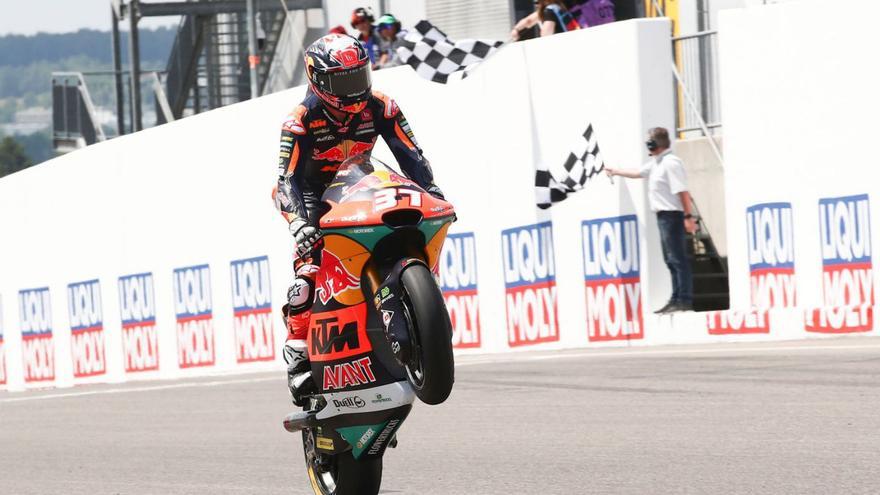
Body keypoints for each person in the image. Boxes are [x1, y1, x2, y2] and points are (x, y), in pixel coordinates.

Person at [274, 34, 444, 405]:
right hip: (315, 198)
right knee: (307, 277)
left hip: (361, 184)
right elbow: (285, 180)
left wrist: (430, 189)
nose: (355, 89)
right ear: (318, 80)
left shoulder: (381, 105)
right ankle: (297, 356)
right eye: (343, 81)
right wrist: (299, 223)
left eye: (359, 76)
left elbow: (411, 155)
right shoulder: (300, 121)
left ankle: (412, 303)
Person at [604, 127, 696, 314]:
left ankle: (684, 299)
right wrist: (616, 171)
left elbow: (683, 192)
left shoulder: (670, 163)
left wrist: (688, 216)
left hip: (672, 215)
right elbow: (638, 172)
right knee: (670, 260)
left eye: (650, 142)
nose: (648, 146)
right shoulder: (657, 163)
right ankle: (676, 297)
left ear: (656, 144)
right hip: (663, 216)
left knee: (677, 259)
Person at [510, 0, 580, 40]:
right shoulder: (557, 6)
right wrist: (516, 29)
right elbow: (529, 21)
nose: (536, 5)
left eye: (537, 2)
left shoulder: (549, 11)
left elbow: (546, 35)